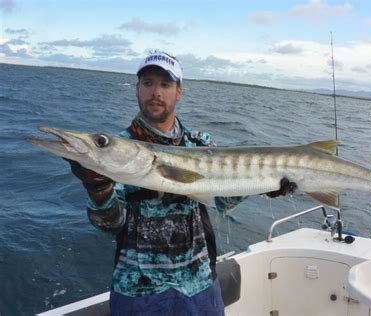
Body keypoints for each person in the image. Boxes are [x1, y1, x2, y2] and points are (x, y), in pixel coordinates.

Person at [67, 51, 296, 315]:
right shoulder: (117, 146)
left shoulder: (200, 144)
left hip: (198, 284)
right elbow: (110, 224)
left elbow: (224, 199)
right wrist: (98, 188)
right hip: (138, 290)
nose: (156, 92)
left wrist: (267, 185)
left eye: (165, 84)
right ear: (137, 89)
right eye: (148, 83)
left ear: (179, 92)